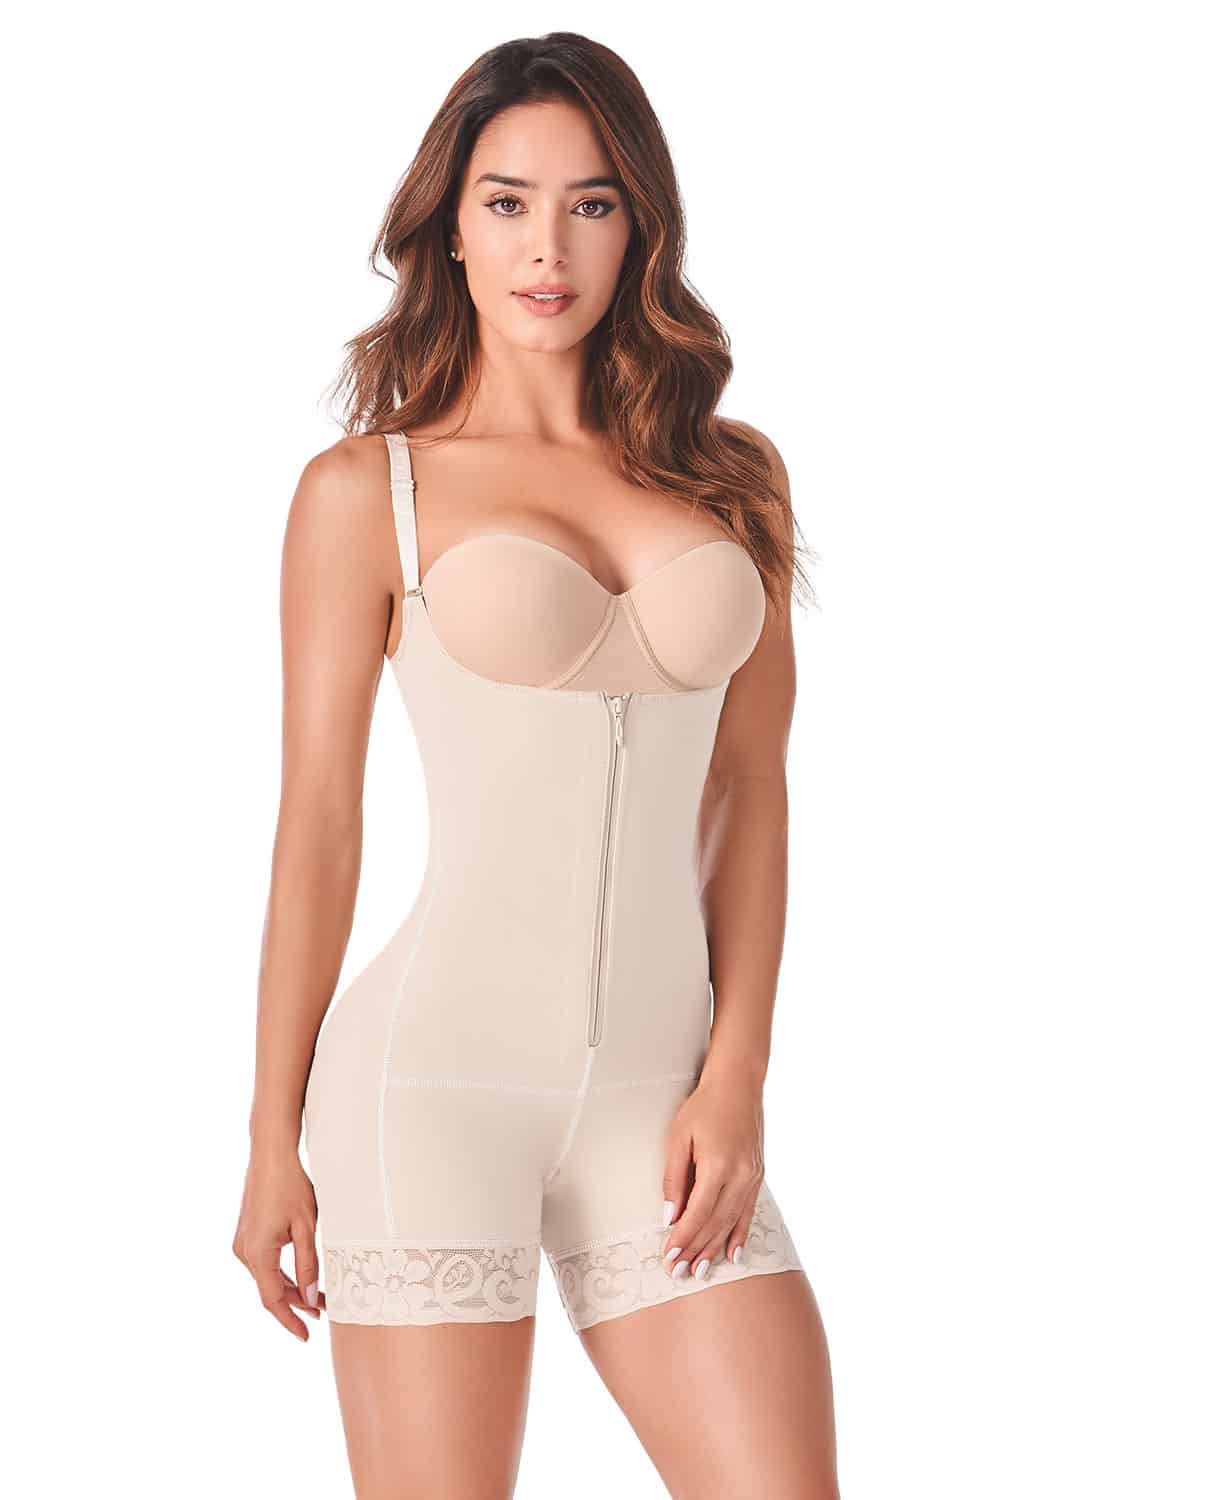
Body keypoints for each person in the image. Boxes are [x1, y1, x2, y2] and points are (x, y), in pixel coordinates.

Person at [233, 31, 840, 1499]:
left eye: (591, 203)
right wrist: (268, 1137)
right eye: (507, 202)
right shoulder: (366, 492)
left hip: (665, 1102)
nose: (547, 247)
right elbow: (319, 822)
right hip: (429, 1090)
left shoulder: (731, 477)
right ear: (451, 227)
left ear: (641, 226)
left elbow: (750, 793)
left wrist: (739, 1075)